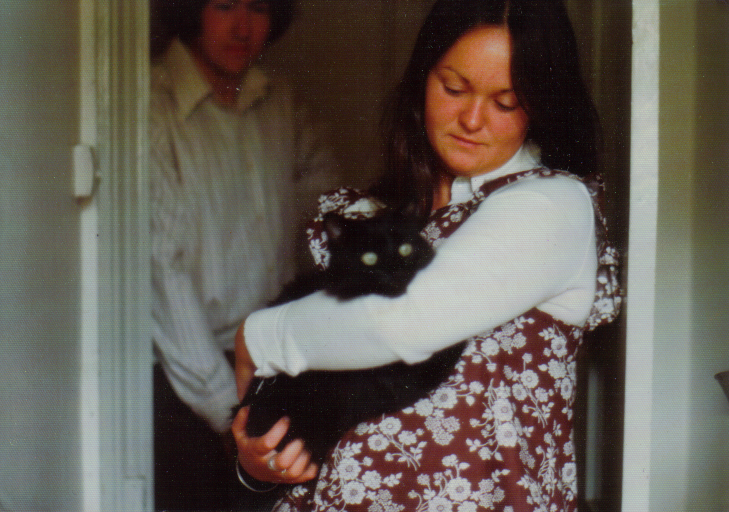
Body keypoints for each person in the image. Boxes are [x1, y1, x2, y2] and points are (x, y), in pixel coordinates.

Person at [232, 0, 622, 510]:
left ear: (543, 105)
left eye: (506, 102)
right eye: (453, 88)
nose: (472, 119)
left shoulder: (550, 204)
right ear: (422, 77)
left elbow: (407, 322)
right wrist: (258, 463)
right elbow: (298, 408)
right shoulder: (374, 219)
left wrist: (256, 337)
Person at [150, 0, 338, 509]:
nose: (242, 27)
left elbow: (325, 207)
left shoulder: (279, 98)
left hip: (270, 359)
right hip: (187, 373)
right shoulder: (151, 102)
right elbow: (161, 271)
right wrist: (229, 409)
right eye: (224, 5)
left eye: (258, 7)